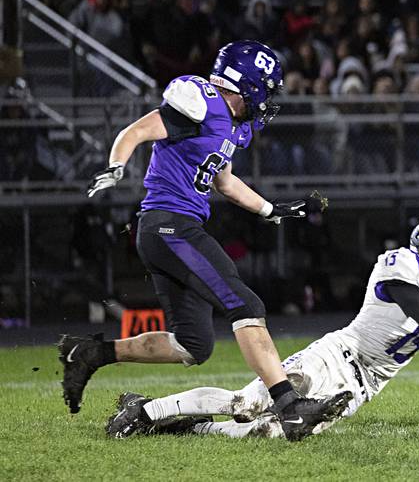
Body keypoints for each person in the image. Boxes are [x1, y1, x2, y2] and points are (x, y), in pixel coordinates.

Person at [58, 41, 348, 441]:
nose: (269, 100)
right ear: (250, 86)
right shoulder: (201, 102)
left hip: (170, 230)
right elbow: (138, 130)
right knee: (245, 304)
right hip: (169, 225)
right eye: (267, 89)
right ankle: (290, 407)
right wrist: (115, 166)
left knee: (193, 345)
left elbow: (225, 182)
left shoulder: (232, 124)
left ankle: (91, 353)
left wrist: (272, 210)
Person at [104, 216, 419, 439]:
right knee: (248, 402)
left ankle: (189, 429)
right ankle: (145, 412)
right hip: (337, 355)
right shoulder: (401, 266)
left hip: (370, 383)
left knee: (271, 436)